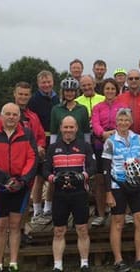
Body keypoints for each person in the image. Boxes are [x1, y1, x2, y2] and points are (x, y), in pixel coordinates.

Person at [0, 103, 37, 272]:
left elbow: (32, 157)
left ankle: (13, 261)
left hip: (20, 186)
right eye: (8, 114)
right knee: (0, 225)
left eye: (15, 114)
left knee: (15, 224)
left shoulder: (27, 134)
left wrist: (22, 179)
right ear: (1, 116)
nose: (11, 117)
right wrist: (5, 178)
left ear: (19, 117)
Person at [103, 109, 140, 271]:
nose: (124, 123)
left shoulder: (138, 138)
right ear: (116, 122)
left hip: (136, 186)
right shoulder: (110, 141)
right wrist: (108, 193)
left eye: (127, 120)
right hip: (117, 186)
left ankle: (139, 259)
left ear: (131, 122)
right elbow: (105, 169)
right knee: (117, 222)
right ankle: (118, 261)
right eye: (120, 120)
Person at [44, 115, 96, 272]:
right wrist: (53, 178)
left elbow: (93, 167)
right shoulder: (53, 147)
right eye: (65, 127)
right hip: (59, 194)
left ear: (76, 129)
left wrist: (83, 176)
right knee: (59, 230)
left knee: (82, 228)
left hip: (79, 193)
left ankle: (84, 262)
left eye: (71, 127)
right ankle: (57, 265)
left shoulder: (85, 146)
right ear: (60, 128)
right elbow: (45, 169)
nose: (68, 130)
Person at [48, 77, 91, 218]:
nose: (69, 93)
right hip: (60, 149)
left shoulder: (82, 109)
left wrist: (88, 148)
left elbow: (86, 132)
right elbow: (54, 132)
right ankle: (53, 209)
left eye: (72, 90)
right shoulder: (56, 109)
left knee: (80, 180)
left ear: (76, 91)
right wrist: (51, 150)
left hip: (78, 149)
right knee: (57, 180)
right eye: (67, 90)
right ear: (63, 92)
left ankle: (81, 211)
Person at [12, 82, 46, 242]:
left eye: (26, 94)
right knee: (12, 198)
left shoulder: (33, 116)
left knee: (25, 197)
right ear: (15, 94)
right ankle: (11, 232)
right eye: (21, 94)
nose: (23, 97)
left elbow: (39, 135)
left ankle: (22, 230)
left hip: (30, 163)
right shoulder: (9, 114)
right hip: (13, 163)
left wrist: (39, 145)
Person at [89, 78, 124, 227]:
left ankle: (125, 212)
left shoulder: (123, 106)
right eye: (107, 89)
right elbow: (95, 123)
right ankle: (101, 214)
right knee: (100, 180)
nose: (110, 91)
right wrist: (103, 133)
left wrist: (115, 134)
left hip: (119, 145)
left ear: (117, 90)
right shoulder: (97, 107)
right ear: (103, 90)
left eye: (112, 89)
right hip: (100, 145)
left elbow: (126, 122)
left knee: (122, 177)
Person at [27, 70, 59, 223]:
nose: (46, 85)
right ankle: (37, 208)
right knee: (39, 177)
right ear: (39, 84)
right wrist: (36, 144)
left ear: (53, 82)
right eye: (43, 83)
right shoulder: (33, 101)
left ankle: (48, 207)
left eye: (48, 82)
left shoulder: (57, 98)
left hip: (55, 139)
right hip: (39, 141)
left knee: (52, 176)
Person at [116, 69, 140, 144]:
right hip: (124, 140)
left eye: (136, 78)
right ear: (127, 81)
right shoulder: (120, 98)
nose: (133, 80)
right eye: (131, 78)